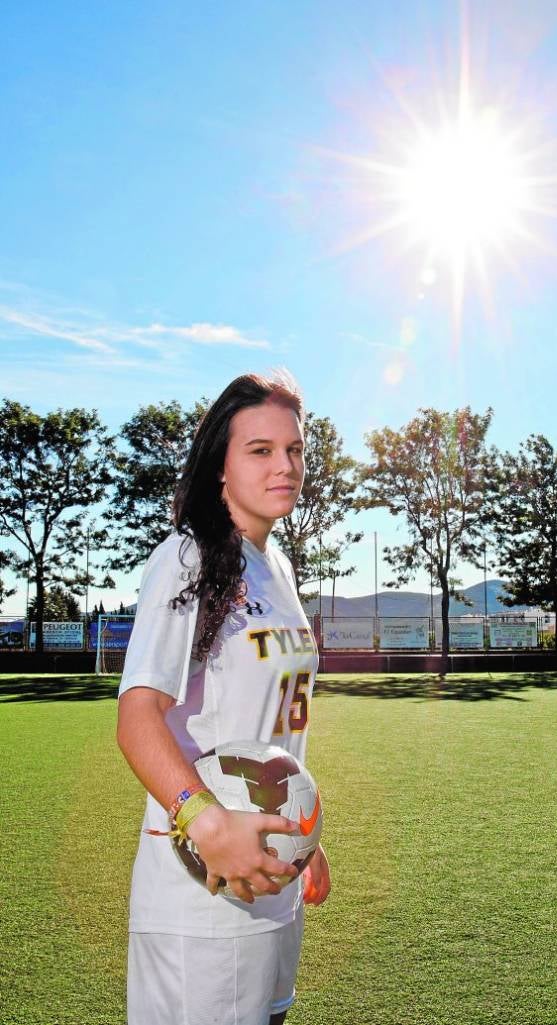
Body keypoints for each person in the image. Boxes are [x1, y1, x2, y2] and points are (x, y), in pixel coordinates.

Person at [117, 371, 331, 1025]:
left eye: (293, 449)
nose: (285, 465)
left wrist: (303, 829)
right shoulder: (190, 557)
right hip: (201, 887)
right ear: (220, 465)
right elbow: (137, 716)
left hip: (270, 874)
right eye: (260, 450)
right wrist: (209, 824)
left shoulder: (278, 566)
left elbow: (268, 726)